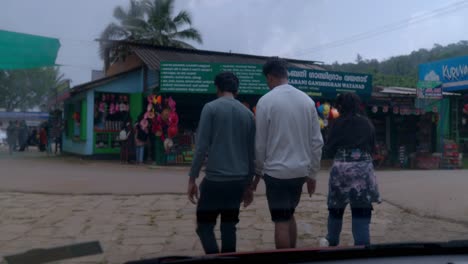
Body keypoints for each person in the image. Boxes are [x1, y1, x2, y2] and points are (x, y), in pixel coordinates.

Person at [253, 58, 324, 249]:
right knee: (289, 214)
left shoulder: (265, 102)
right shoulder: (307, 101)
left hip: (276, 174)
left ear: (270, 76)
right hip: (299, 173)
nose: (267, 84)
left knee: (281, 222)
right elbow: (317, 142)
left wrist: (258, 172)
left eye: (267, 80)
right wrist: (312, 174)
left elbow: (260, 144)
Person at [187, 72, 256, 254]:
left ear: (217, 88)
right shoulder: (248, 114)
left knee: (204, 227)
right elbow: (251, 154)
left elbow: (201, 148)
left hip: (215, 182)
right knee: (228, 227)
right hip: (238, 183)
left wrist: (192, 178)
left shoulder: (210, 108)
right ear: (237, 90)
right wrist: (248, 185)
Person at [320, 93, 381, 247]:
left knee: (336, 209)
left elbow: (328, 150)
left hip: (341, 171)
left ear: (341, 107)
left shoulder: (336, 124)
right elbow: (373, 148)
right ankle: (362, 246)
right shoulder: (367, 123)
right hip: (363, 171)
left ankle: (332, 241)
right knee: (361, 212)